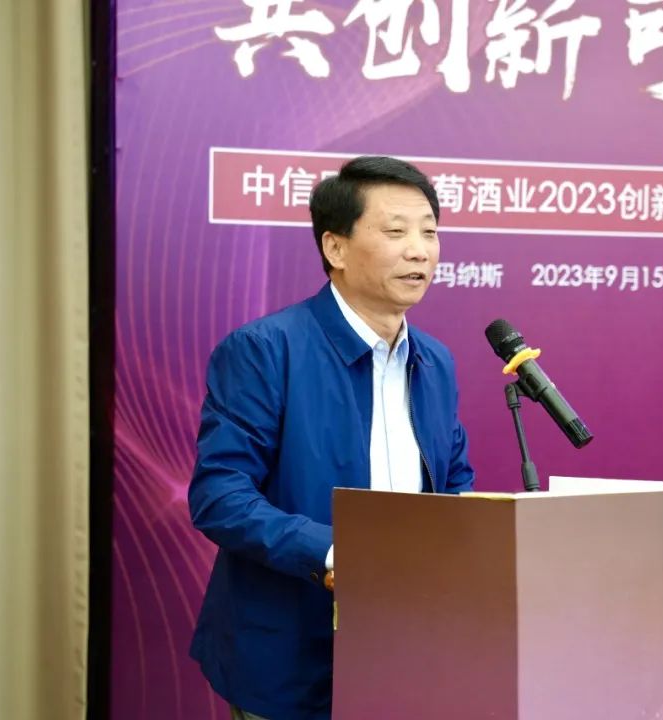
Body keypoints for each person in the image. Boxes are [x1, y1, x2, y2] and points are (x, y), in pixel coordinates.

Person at [188, 155, 476, 720]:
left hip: (406, 644)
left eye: (429, 232)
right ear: (336, 248)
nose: (419, 251)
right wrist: (331, 552)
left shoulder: (436, 361)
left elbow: (453, 481)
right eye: (396, 231)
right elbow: (220, 495)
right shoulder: (265, 350)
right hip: (289, 655)